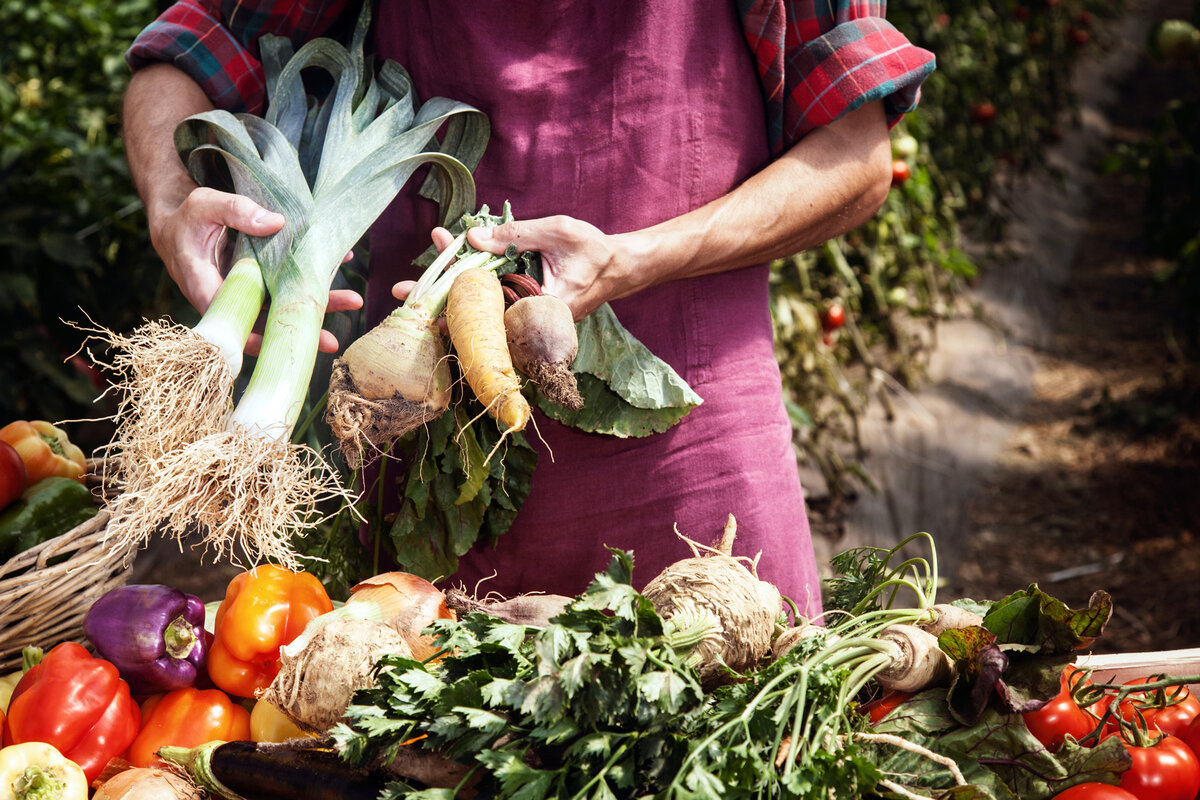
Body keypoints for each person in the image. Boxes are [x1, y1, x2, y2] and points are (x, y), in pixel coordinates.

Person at [121, 1, 935, 617]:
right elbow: (189, 52)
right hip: (424, 444)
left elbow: (856, 154)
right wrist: (169, 199)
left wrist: (634, 259)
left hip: (696, 445)